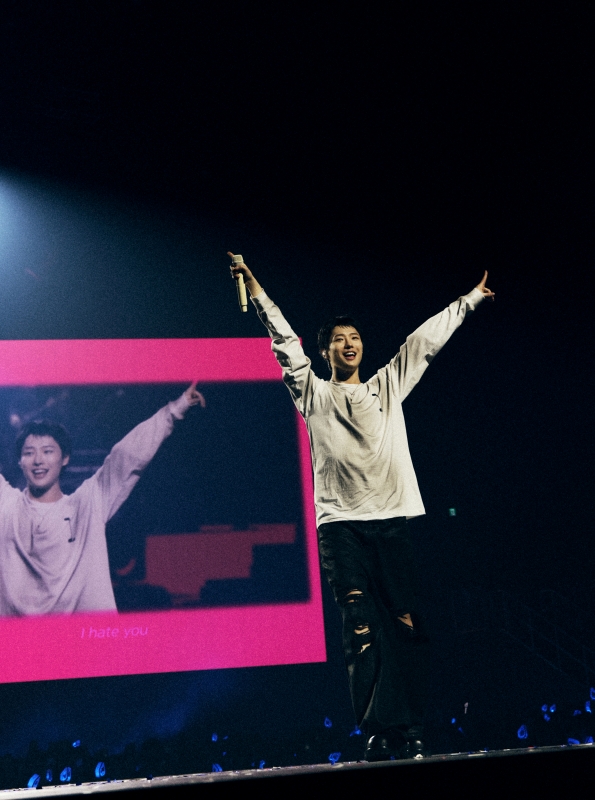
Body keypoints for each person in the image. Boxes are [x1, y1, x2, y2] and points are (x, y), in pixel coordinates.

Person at [228, 251, 494, 761]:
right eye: (338, 339)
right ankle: (377, 729)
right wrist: (255, 286)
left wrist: (470, 300)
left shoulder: (386, 387)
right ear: (325, 350)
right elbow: (284, 340)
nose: (349, 344)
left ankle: (410, 726)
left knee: (407, 624)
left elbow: (423, 343)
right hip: (341, 527)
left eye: (354, 337)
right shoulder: (312, 393)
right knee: (360, 627)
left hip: (391, 523)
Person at [0, 383, 205, 616]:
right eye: (29, 453)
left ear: (65, 458)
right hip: (18, 637)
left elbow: (128, 455)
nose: (38, 460)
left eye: (47, 451)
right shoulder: (6, 506)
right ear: (19, 461)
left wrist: (175, 410)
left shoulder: (87, 505)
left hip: (83, 635)